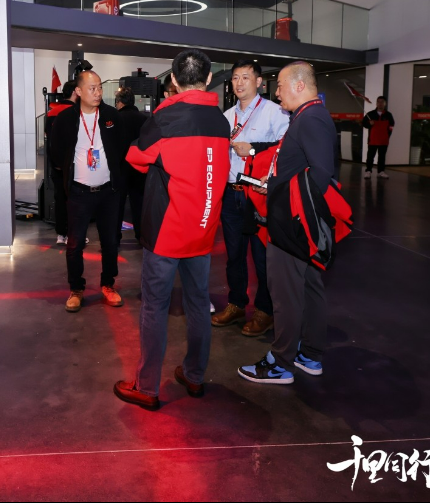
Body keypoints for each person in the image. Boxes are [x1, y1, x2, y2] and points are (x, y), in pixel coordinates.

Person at [113, 49, 230, 410]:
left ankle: (147, 386)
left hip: (167, 230)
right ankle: (194, 375)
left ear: (174, 81)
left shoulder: (165, 118)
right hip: (204, 228)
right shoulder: (221, 122)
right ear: (208, 79)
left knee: (154, 307)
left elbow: (136, 157)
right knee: (198, 304)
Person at [238, 61, 335, 386]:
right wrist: (276, 181)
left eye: (280, 85)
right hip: (298, 221)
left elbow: (321, 174)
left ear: (299, 85)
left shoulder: (311, 118)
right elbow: (302, 168)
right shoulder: (308, 116)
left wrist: (292, 210)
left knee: (286, 295)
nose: (276, 92)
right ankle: (310, 355)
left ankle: (280, 363)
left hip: (292, 223)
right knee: (308, 288)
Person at [211, 61, 290, 338]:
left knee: (262, 257)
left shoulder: (274, 112)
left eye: (246, 77)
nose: (239, 83)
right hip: (231, 194)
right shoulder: (226, 116)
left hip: (257, 195)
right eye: (235, 78)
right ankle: (236, 304)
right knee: (234, 255)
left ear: (259, 82)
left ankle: (264, 311)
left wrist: (254, 149)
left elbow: (286, 148)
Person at [50, 71, 127, 312]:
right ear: (79, 91)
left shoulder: (112, 116)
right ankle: (76, 289)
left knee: (110, 242)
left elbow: (122, 147)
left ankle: (108, 285)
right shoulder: (65, 119)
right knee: (74, 244)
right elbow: (56, 153)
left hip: (108, 192)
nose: (98, 93)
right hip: (79, 193)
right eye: (92, 88)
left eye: (100, 87)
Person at [48, 80, 79, 244]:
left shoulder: (51, 112)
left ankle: (61, 234)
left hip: (56, 165)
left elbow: (50, 141)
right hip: (73, 165)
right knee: (75, 200)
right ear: (75, 92)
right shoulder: (75, 112)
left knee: (60, 198)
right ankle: (74, 234)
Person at [114, 86, 147, 240]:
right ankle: (141, 235)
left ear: (120, 103)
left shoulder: (116, 118)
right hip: (139, 166)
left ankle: (115, 236)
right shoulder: (144, 119)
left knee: (117, 203)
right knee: (138, 202)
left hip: (120, 167)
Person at [363, 96, 395, 179]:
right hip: (372, 140)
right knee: (370, 156)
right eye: (378, 102)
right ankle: (368, 171)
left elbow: (391, 125)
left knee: (382, 157)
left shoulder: (388, 115)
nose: (380, 104)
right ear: (376, 103)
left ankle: (381, 171)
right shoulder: (370, 114)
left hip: (383, 140)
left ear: (385, 103)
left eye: (382, 102)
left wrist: (387, 135)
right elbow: (363, 123)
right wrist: (369, 123)